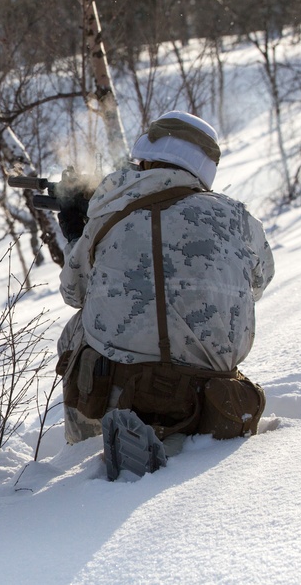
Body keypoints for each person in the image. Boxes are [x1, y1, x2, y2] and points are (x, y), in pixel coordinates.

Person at [55, 111, 275, 479]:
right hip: (207, 388)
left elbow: (74, 292)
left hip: (120, 387)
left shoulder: (110, 209)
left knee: (74, 331)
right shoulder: (238, 218)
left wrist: (80, 233)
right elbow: (259, 282)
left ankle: (87, 451)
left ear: (146, 158)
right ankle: (196, 427)